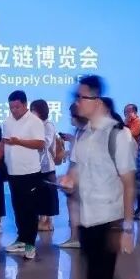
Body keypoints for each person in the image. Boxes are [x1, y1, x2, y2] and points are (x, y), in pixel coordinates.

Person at [59, 76, 140, 279]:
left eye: (81, 97)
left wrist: (127, 228)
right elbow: (77, 169)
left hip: (110, 222)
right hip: (88, 220)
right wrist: (69, 180)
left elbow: (128, 183)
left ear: (97, 100)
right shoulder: (84, 134)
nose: (76, 102)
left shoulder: (118, 135)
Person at [0, 91, 45, 260]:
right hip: (13, 172)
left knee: (29, 209)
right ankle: (21, 239)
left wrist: (19, 141)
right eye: (11, 107)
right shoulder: (7, 121)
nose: (14, 110)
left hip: (30, 172)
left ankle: (30, 244)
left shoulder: (34, 121)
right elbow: (4, 141)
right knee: (17, 207)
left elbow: (40, 143)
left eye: (17, 107)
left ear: (25, 104)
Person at [57, 104, 89, 249]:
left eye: (72, 115)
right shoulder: (79, 131)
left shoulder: (90, 132)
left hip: (85, 177)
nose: (71, 118)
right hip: (76, 175)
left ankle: (79, 238)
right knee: (74, 205)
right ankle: (75, 237)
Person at [31, 100, 60, 233]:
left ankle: (48, 222)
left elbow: (45, 144)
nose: (32, 113)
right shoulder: (34, 125)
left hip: (47, 165)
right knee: (39, 195)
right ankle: (41, 220)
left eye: (34, 110)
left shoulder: (48, 125)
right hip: (35, 165)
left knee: (48, 195)